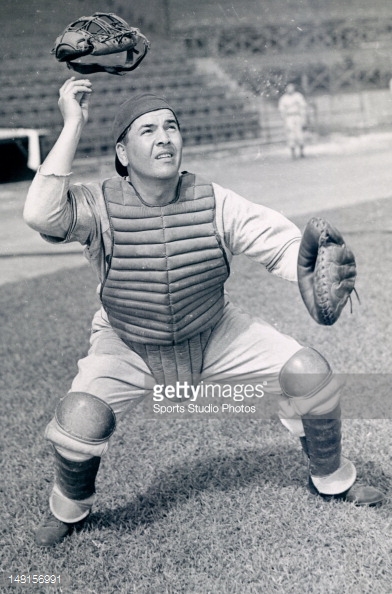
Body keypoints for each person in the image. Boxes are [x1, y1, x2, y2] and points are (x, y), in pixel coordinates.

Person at [24, 77, 384, 547]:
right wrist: (73, 123)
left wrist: (311, 261)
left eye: (171, 127)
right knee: (81, 416)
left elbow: (278, 242)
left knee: (308, 371)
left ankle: (332, 477)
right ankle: (69, 510)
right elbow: (40, 214)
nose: (164, 137)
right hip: (129, 340)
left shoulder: (213, 200)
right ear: (124, 152)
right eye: (148, 130)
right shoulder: (98, 204)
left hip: (214, 331)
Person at [278, 83, 308, 159]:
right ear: (286, 89)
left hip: (297, 116)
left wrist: (303, 118)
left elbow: (303, 107)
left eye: (291, 88)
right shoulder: (284, 98)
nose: (290, 89)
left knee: (300, 134)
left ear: (294, 88)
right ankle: (293, 153)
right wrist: (284, 120)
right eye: (288, 88)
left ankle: (301, 152)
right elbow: (282, 110)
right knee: (291, 135)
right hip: (289, 117)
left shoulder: (298, 96)